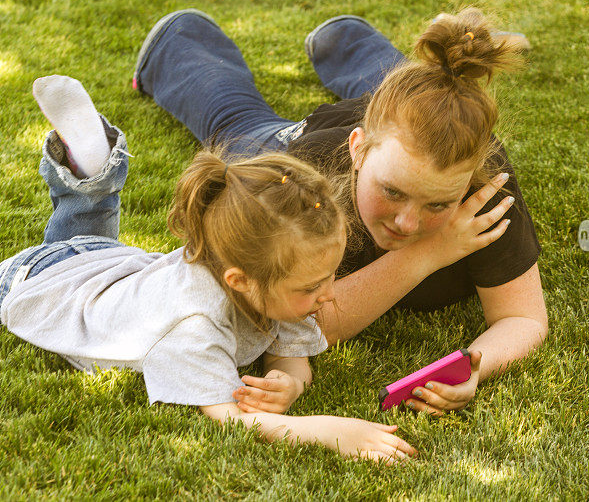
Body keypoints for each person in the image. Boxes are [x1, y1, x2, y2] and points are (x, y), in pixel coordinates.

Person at [132, 8, 548, 416]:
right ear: (358, 150)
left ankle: (341, 35)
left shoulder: (483, 185)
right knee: (239, 123)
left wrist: (473, 368)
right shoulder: (303, 182)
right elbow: (302, 325)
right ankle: (179, 35)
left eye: (437, 204)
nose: (407, 222)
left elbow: (523, 317)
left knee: (425, 87)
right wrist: (427, 253)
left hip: (386, 126)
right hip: (305, 144)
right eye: (391, 191)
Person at [0, 76, 416, 464]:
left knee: (88, 235)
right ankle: (91, 175)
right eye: (314, 286)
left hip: (108, 265)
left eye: (329, 276)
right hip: (39, 284)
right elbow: (229, 417)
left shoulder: (281, 283)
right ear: (240, 281)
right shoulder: (195, 323)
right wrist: (330, 432)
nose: (328, 294)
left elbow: (293, 358)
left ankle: (91, 167)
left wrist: (289, 382)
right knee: (66, 249)